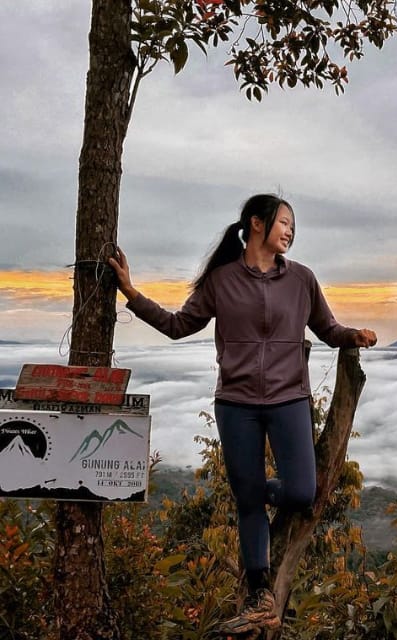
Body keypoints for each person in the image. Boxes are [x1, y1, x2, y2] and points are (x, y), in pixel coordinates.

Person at [108, 193, 376, 631]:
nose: (290, 231)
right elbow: (178, 326)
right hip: (236, 403)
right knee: (247, 501)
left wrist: (355, 336)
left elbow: (327, 330)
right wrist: (131, 293)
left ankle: (255, 490)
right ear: (256, 223)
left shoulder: (302, 280)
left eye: (293, 225)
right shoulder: (222, 280)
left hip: (290, 398)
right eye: (284, 222)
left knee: (302, 493)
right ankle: (258, 590)